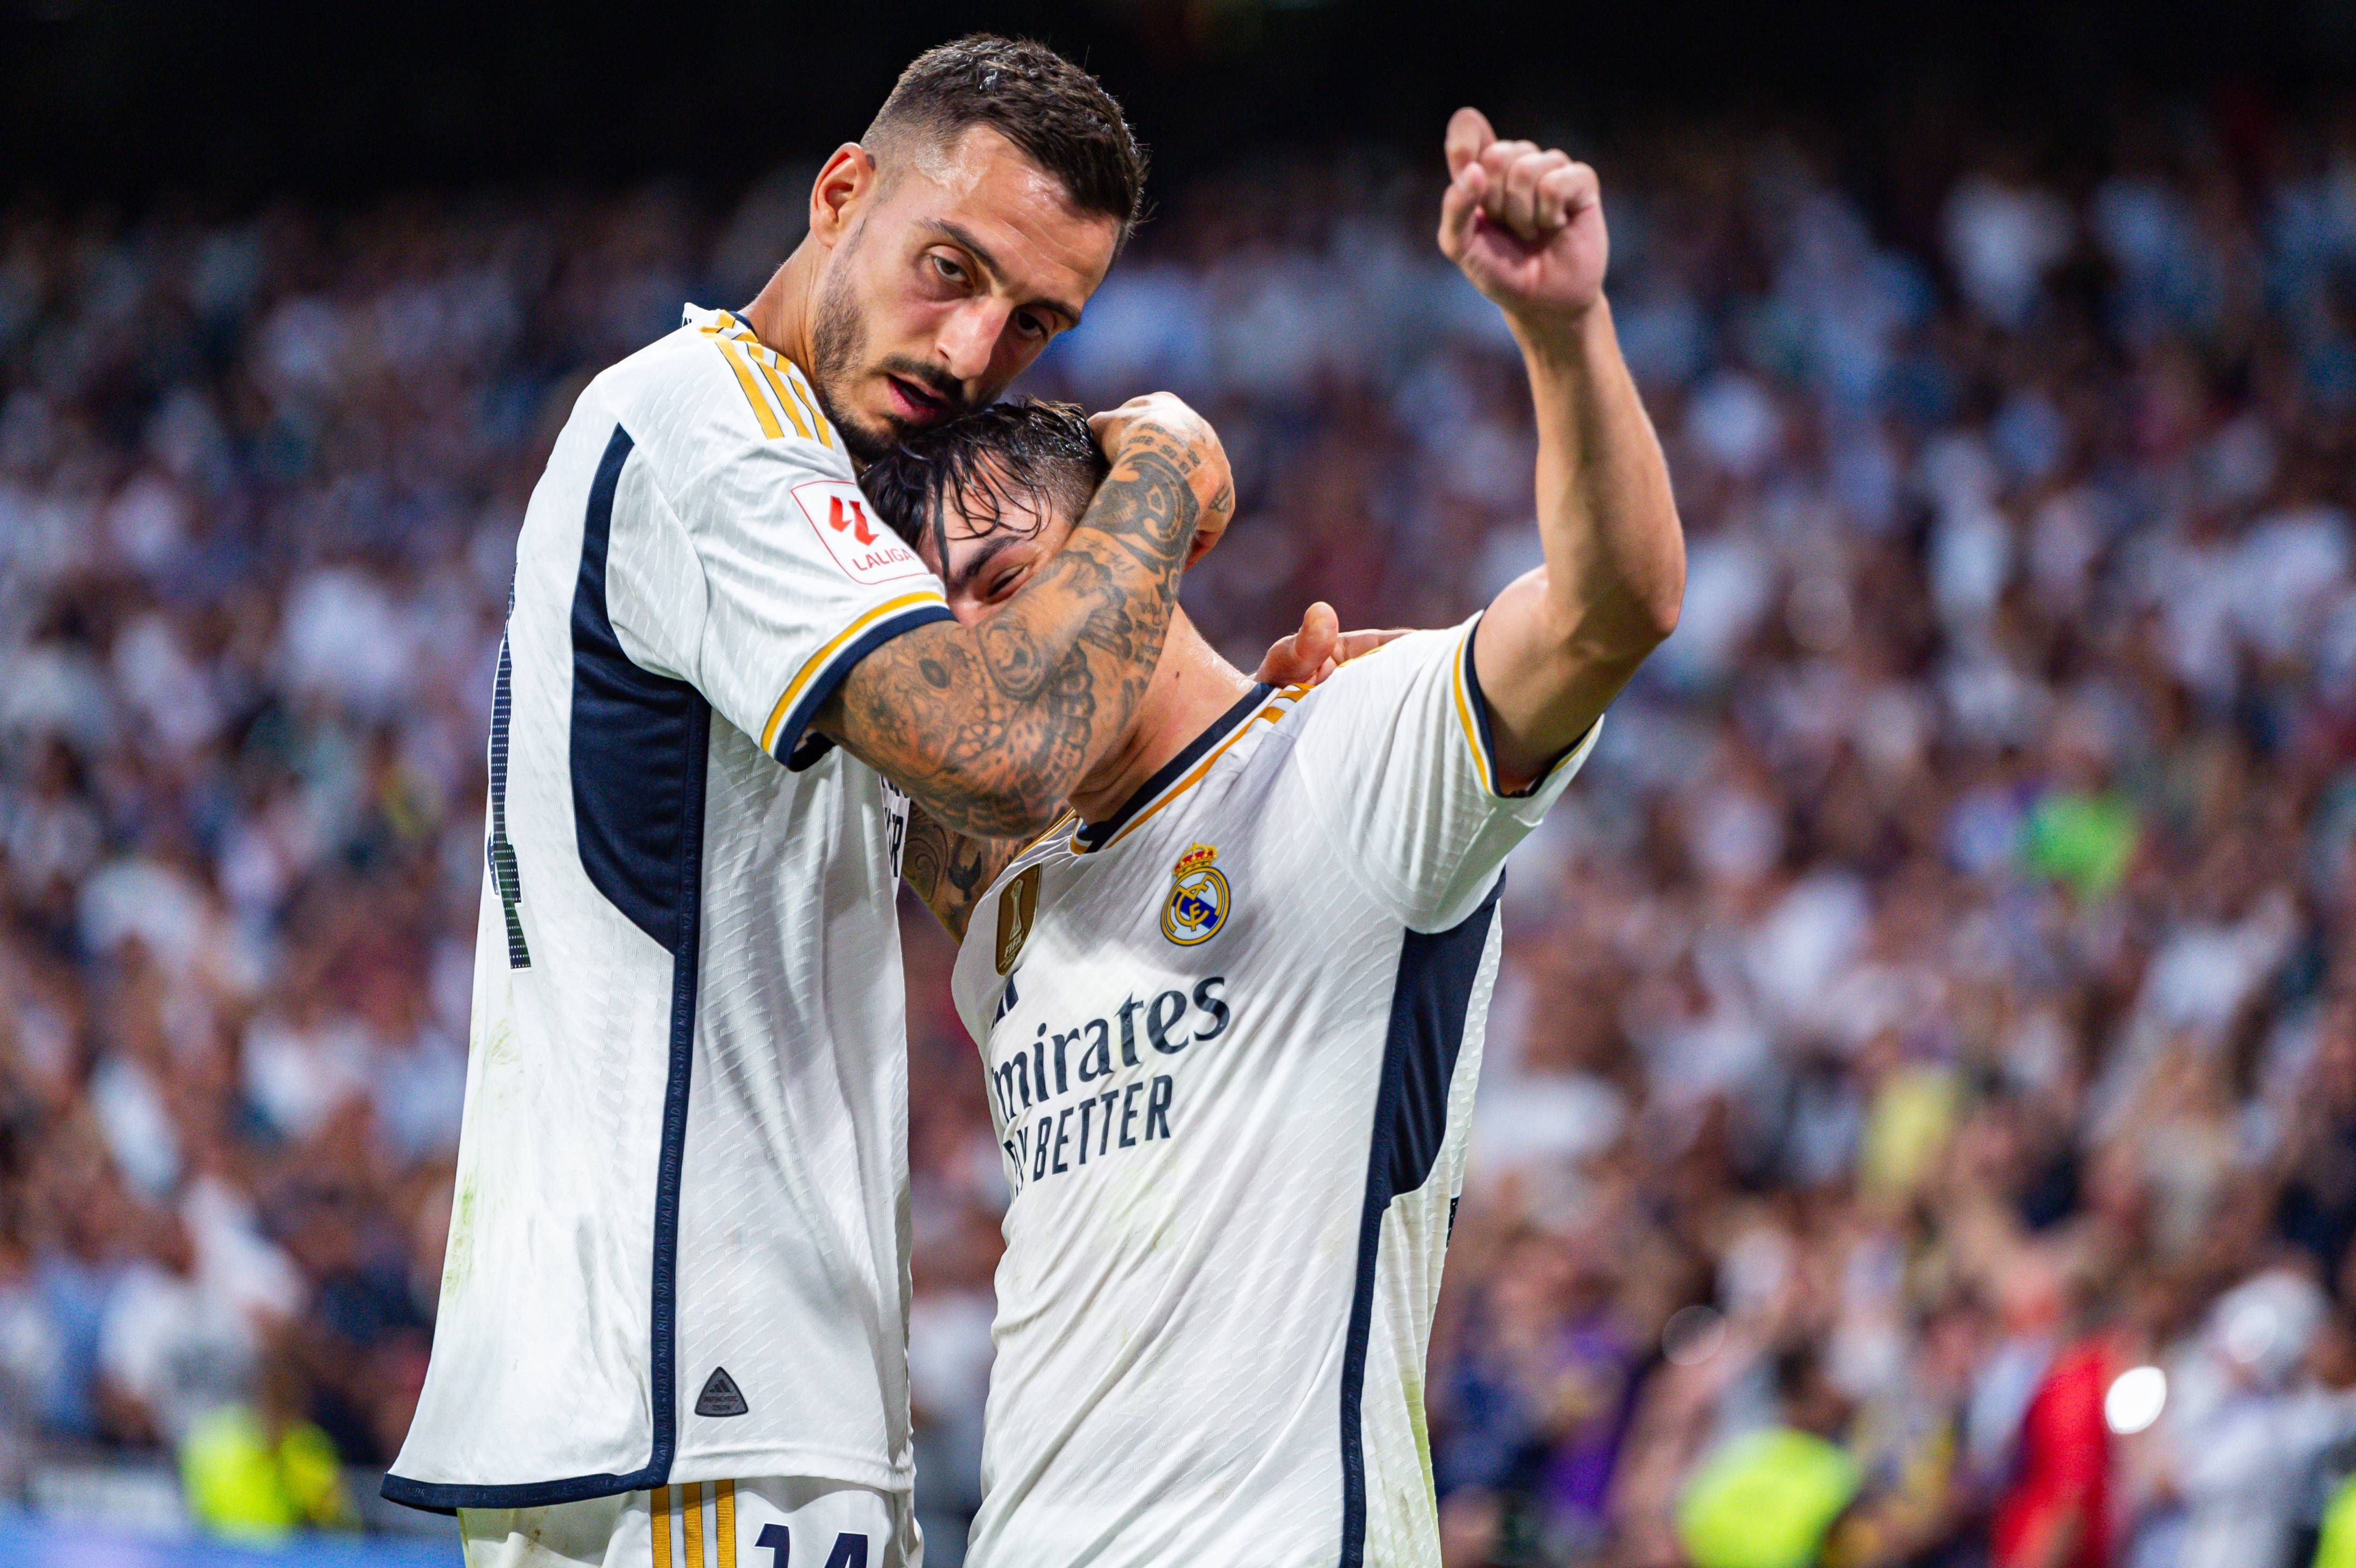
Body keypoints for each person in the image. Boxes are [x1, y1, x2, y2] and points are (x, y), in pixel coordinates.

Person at [384, 37, 1237, 1568]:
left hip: (711, 1400)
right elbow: (1000, 748)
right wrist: (1160, 475)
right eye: (952, 269)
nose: (976, 352)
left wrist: (1264, 720)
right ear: (842, 191)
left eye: (1036, 322)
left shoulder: (830, 511)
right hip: (702, 1396)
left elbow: (996, 869)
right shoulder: (717, 424)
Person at [864, 108, 1683, 1566]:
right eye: (951, 624)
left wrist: (1564, 334)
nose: (986, 647)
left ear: (1129, 553)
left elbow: (1615, 605)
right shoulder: (1005, 909)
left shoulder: (1356, 755)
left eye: (1007, 580)